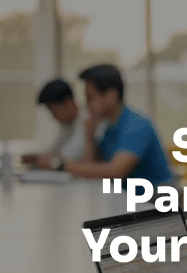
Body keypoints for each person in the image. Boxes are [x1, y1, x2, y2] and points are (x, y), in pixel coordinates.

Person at [36, 64, 173, 188]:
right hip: (128, 202)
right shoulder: (108, 128)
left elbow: (115, 171)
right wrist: (89, 136)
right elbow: (89, 168)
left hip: (155, 203)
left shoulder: (137, 124)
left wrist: (60, 165)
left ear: (111, 96)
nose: (87, 105)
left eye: (90, 98)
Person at [23, 78, 87, 167]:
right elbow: (57, 150)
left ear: (68, 103)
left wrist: (44, 159)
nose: (53, 116)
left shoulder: (86, 120)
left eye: (54, 111)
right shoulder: (68, 124)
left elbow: (72, 155)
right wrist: (39, 157)